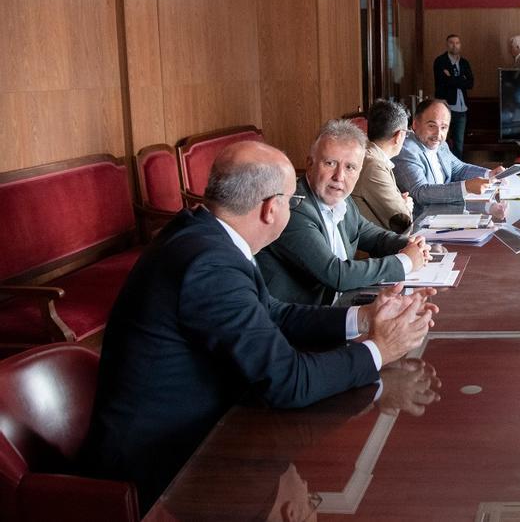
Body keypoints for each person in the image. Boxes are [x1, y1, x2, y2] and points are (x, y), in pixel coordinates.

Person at [80, 141, 438, 512]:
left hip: (200, 432)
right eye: (291, 201)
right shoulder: (209, 263)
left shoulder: (209, 235)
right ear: (271, 208)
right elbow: (287, 381)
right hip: (164, 468)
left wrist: (364, 318)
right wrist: (379, 349)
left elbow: (273, 313)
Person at [257, 120, 430, 306]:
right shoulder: (295, 208)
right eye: (330, 163)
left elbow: (372, 235)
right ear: (310, 164)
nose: (339, 177)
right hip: (300, 319)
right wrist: (405, 261)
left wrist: (410, 245)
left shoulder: (341, 198)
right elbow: (337, 274)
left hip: (338, 304)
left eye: (350, 167)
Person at [394, 98, 504, 206]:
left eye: (443, 127)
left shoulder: (441, 145)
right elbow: (421, 192)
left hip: (445, 212)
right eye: (431, 126)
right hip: (422, 219)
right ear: (415, 124)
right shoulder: (405, 150)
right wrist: (466, 187)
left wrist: (489, 174)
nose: (438, 134)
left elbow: (459, 169)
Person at [351, 99, 414, 234]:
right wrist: (406, 205)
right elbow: (404, 223)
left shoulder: (370, 157)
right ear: (399, 136)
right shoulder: (374, 165)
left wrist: (399, 202)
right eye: (406, 134)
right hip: (372, 250)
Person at [432, 33, 473, 157]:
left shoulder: (464, 63)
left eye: (457, 43)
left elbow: (470, 83)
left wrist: (452, 77)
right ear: (447, 44)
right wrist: (461, 79)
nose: (454, 45)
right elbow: (442, 82)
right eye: (451, 43)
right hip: (446, 106)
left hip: (462, 108)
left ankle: (458, 172)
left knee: (459, 143)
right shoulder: (440, 61)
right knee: (441, 141)